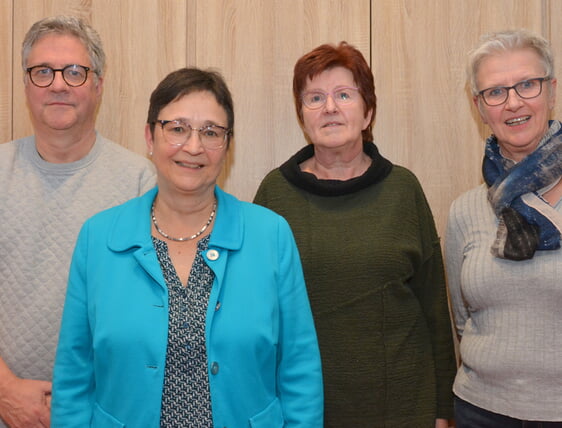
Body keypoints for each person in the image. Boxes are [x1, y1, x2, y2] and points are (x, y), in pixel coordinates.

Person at [51, 67, 323, 427]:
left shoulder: (270, 236)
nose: (193, 147)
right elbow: (74, 375)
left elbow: (299, 367)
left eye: (211, 132)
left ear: (227, 145)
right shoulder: (99, 238)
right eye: (177, 128)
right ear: (150, 137)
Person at [254, 41, 456, 427]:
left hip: (402, 406)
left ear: (368, 113)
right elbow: (257, 311)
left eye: (344, 94)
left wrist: (442, 410)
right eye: (315, 98)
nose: (329, 107)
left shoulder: (403, 189)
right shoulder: (274, 194)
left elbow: (434, 306)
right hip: (303, 408)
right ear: (302, 116)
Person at [0, 15, 155, 428]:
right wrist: (5, 391)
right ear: (26, 85)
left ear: (98, 85)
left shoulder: (141, 182)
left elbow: (152, 315)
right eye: (42, 72)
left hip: (108, 411)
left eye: (74, 72)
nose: (58, 84)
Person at [445, 29, 562, 427]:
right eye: (495, 92)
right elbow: (463, 320)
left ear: (551, 90)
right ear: (479, 106)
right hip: (479, 411)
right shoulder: (465, 211)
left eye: (527, 84)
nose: (513, 102)